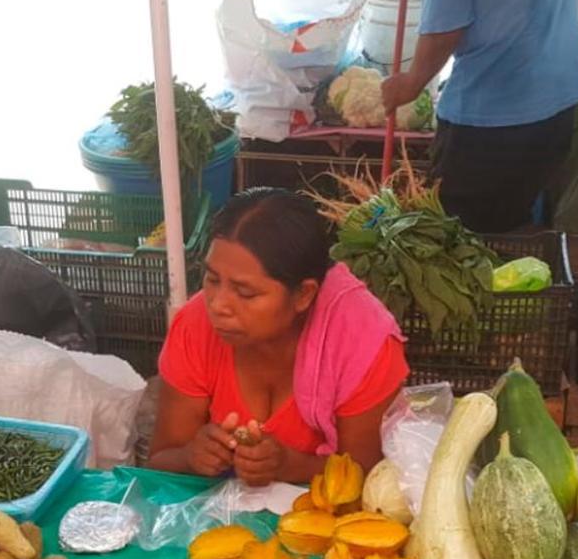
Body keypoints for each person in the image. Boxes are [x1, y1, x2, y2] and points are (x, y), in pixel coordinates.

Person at [149, 188, 408, 486]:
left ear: (304, 295)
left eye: (245, 292)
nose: (218, 305)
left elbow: (368, 477)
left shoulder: (362, 343)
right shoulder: (195, 326)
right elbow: (158, 462)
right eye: (211, 279)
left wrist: (291, 467)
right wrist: (190, 457)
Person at [381, 0, 578, 234]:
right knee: (514, 224)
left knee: (459, 243)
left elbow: (445, 30)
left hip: (490, 124)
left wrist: (412, 82)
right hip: (557, 106)